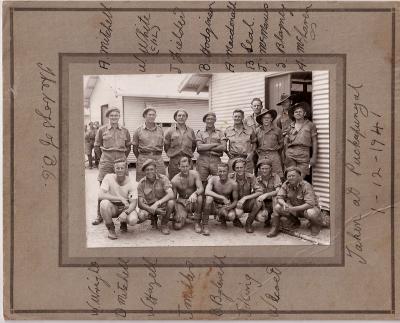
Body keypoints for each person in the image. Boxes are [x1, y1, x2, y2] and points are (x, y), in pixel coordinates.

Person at [92, 107, 131, 225]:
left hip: (121, 160)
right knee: (103, 187)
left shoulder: (125, 130)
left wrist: (121, 158)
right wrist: (103, 159)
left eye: (116, 115)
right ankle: (99, 215)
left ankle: (124, 213)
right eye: (112, 115)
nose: (114, 117)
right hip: (107, 161)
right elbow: (97, 146)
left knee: (123, 186)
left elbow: (128, 147)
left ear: (119, 116)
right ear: (108, 117)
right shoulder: (102, 130)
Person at [274, 166, 323, 237]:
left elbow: (310, 204)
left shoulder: (306, 185)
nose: (291, 178)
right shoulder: (286, 184)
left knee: (311, 212)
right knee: (278, 207)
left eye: (293, 176)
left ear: (299, 176)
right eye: (289, 176)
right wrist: (284, 203)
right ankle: (295, 222)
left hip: (307, 210)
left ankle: (315, 225)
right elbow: (279, 197)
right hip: (295, 210)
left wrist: (293, 209)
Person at [98, 158, 139, 240]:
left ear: (126, 169)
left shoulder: (131, 182)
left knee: (133, 220)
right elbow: (100, 195)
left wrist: (126, 213)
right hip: (113, 206)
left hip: (125, 207)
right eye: (117, 168)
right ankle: (111, 229)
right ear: (114, 169)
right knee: (104, 204)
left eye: (122, 168)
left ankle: (123, 222)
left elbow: (134, 203)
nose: (120, 170)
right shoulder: (108, 177)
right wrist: (120, 198)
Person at [137, 159, 175, 235]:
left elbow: (171, 194)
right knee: (141, 216)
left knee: (171, 203)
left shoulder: (163, 179)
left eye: (152, 169)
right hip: (149, 207)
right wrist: (153, 209)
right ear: (144, 172)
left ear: (156, 170)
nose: (149, 171)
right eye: (147, 170)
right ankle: (153, 218)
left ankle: (164, 224)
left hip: (162, 204)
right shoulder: (141, 183)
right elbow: (140, 204)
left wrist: (157, 203)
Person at [244, 159, 282, 234]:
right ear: (259, 169)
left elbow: (278, 191)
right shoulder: (257, 179)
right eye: (262, 169)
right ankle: (248, 223)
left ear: (270, 168)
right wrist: (264, 208)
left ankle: (275, 227)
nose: (264, 171)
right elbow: (257, 194)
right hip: (264, 203)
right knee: (261, 215)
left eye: (267, 168)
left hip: (274, 203)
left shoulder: (275, 176)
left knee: (275, 198)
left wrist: (267, 194)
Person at [203, 163, 238, 236]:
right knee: (209, 198)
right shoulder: (213, 179)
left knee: (231, 216)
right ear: (217, 172)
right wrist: (222, 197)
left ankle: (223, 219)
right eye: (220, 171)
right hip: (213, 205)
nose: (222, 173)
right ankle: (205, 224)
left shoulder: (233, 184)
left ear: (228, 171)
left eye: (224, 171)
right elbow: (207, 191)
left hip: (223, 206)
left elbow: (235, 200)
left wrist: (230, 207)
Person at [132, 108, 166, 182]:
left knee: (161, 180)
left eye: (153, 115)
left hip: (158, 158)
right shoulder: (138, 130)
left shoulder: (160, 130)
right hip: (143, 158)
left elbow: (162, 145)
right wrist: (141, 157)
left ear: (155, 116)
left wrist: (157, 155)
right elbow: (135, 148)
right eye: (149, 115)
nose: (151, 116)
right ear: (145, 116)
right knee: (143, 182)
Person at [171, 156, 204, 232]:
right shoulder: (175, 180)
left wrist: (195, 193)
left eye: (187, 166)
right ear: (179, 167)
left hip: (193, 200)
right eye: (183, 167)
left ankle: (197, 222)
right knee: (177, 226)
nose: (185, 168)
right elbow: (174, 198)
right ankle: (184, 216)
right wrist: (176, 212)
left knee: (200, 197)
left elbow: (201, 188)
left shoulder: (195, 174)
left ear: (189, 166)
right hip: (182, 202)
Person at [285, 102, 318, 178]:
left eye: (300, 112)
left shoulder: (310, 125)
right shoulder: (290, 126)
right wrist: (286, 154)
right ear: (293, 114)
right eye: (296, 112)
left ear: (304, 113)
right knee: (291, 178)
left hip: (304, 153)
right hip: (291, 154)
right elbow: (286, 141)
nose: (298, 113)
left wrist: (314, 156)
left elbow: (314, 141)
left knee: (300, 178)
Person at [195, 112, 227, 187]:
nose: (210, 121)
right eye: (208, 119)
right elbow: (199, 147)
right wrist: (215, 144)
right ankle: (202, 198)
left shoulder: (220, 133)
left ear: (215, 120)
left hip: (216, 160)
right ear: (205, 120)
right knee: (201, 182)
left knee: (218, 181)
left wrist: (205, 147)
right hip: (203, 160)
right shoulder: (200, 133)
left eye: (212, 119)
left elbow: (223, 147)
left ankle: (216, 198)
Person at [229, 158, 262, 228]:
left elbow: (259, 191)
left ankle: (249, 222)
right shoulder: (230, 177)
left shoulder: (251, 177)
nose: (239, 169)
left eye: (241, 167)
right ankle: (235, 220)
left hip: (247, 202)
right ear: (234, 168)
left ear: (244, 168)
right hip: (235, 202)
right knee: (236, 213)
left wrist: (245, 197)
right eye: (237, 167)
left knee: (259, 201)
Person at [164, 109, 196, 180]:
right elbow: (166, 146)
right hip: (174, 160)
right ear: (175, 117)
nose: (181, 117)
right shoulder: (170, 131)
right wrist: (173, 153)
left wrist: (187, 152)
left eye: (183, 116)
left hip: (187, 160)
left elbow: (193, 145)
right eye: (179, 115)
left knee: (188, 181)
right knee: (173, 180)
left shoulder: (191, 131)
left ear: (186, 118)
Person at [225, 109, 256, 173]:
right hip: (233, 159)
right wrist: (227, 152)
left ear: (242, 117)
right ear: (232, 117)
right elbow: (222, 143)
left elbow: (254, 142)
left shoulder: (250, 129)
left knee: (247, 179)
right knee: (232, 180)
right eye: (235, 116)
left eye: (239, 116)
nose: (237, 118)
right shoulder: (228, 130)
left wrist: (252, 153)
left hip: (246, 159)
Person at [255, 109, 284, 178]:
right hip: (262, 155)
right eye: (264, 118)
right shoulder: (257, 130)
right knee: (261, 176)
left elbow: (281, 143)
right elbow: (254, 144)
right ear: (261, 120)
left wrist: (276, 149)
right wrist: (258, 152)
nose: (266, 120)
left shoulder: (277, 130)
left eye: (268, 118)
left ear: (271, 119)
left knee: (277, 176)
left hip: (274, 155)